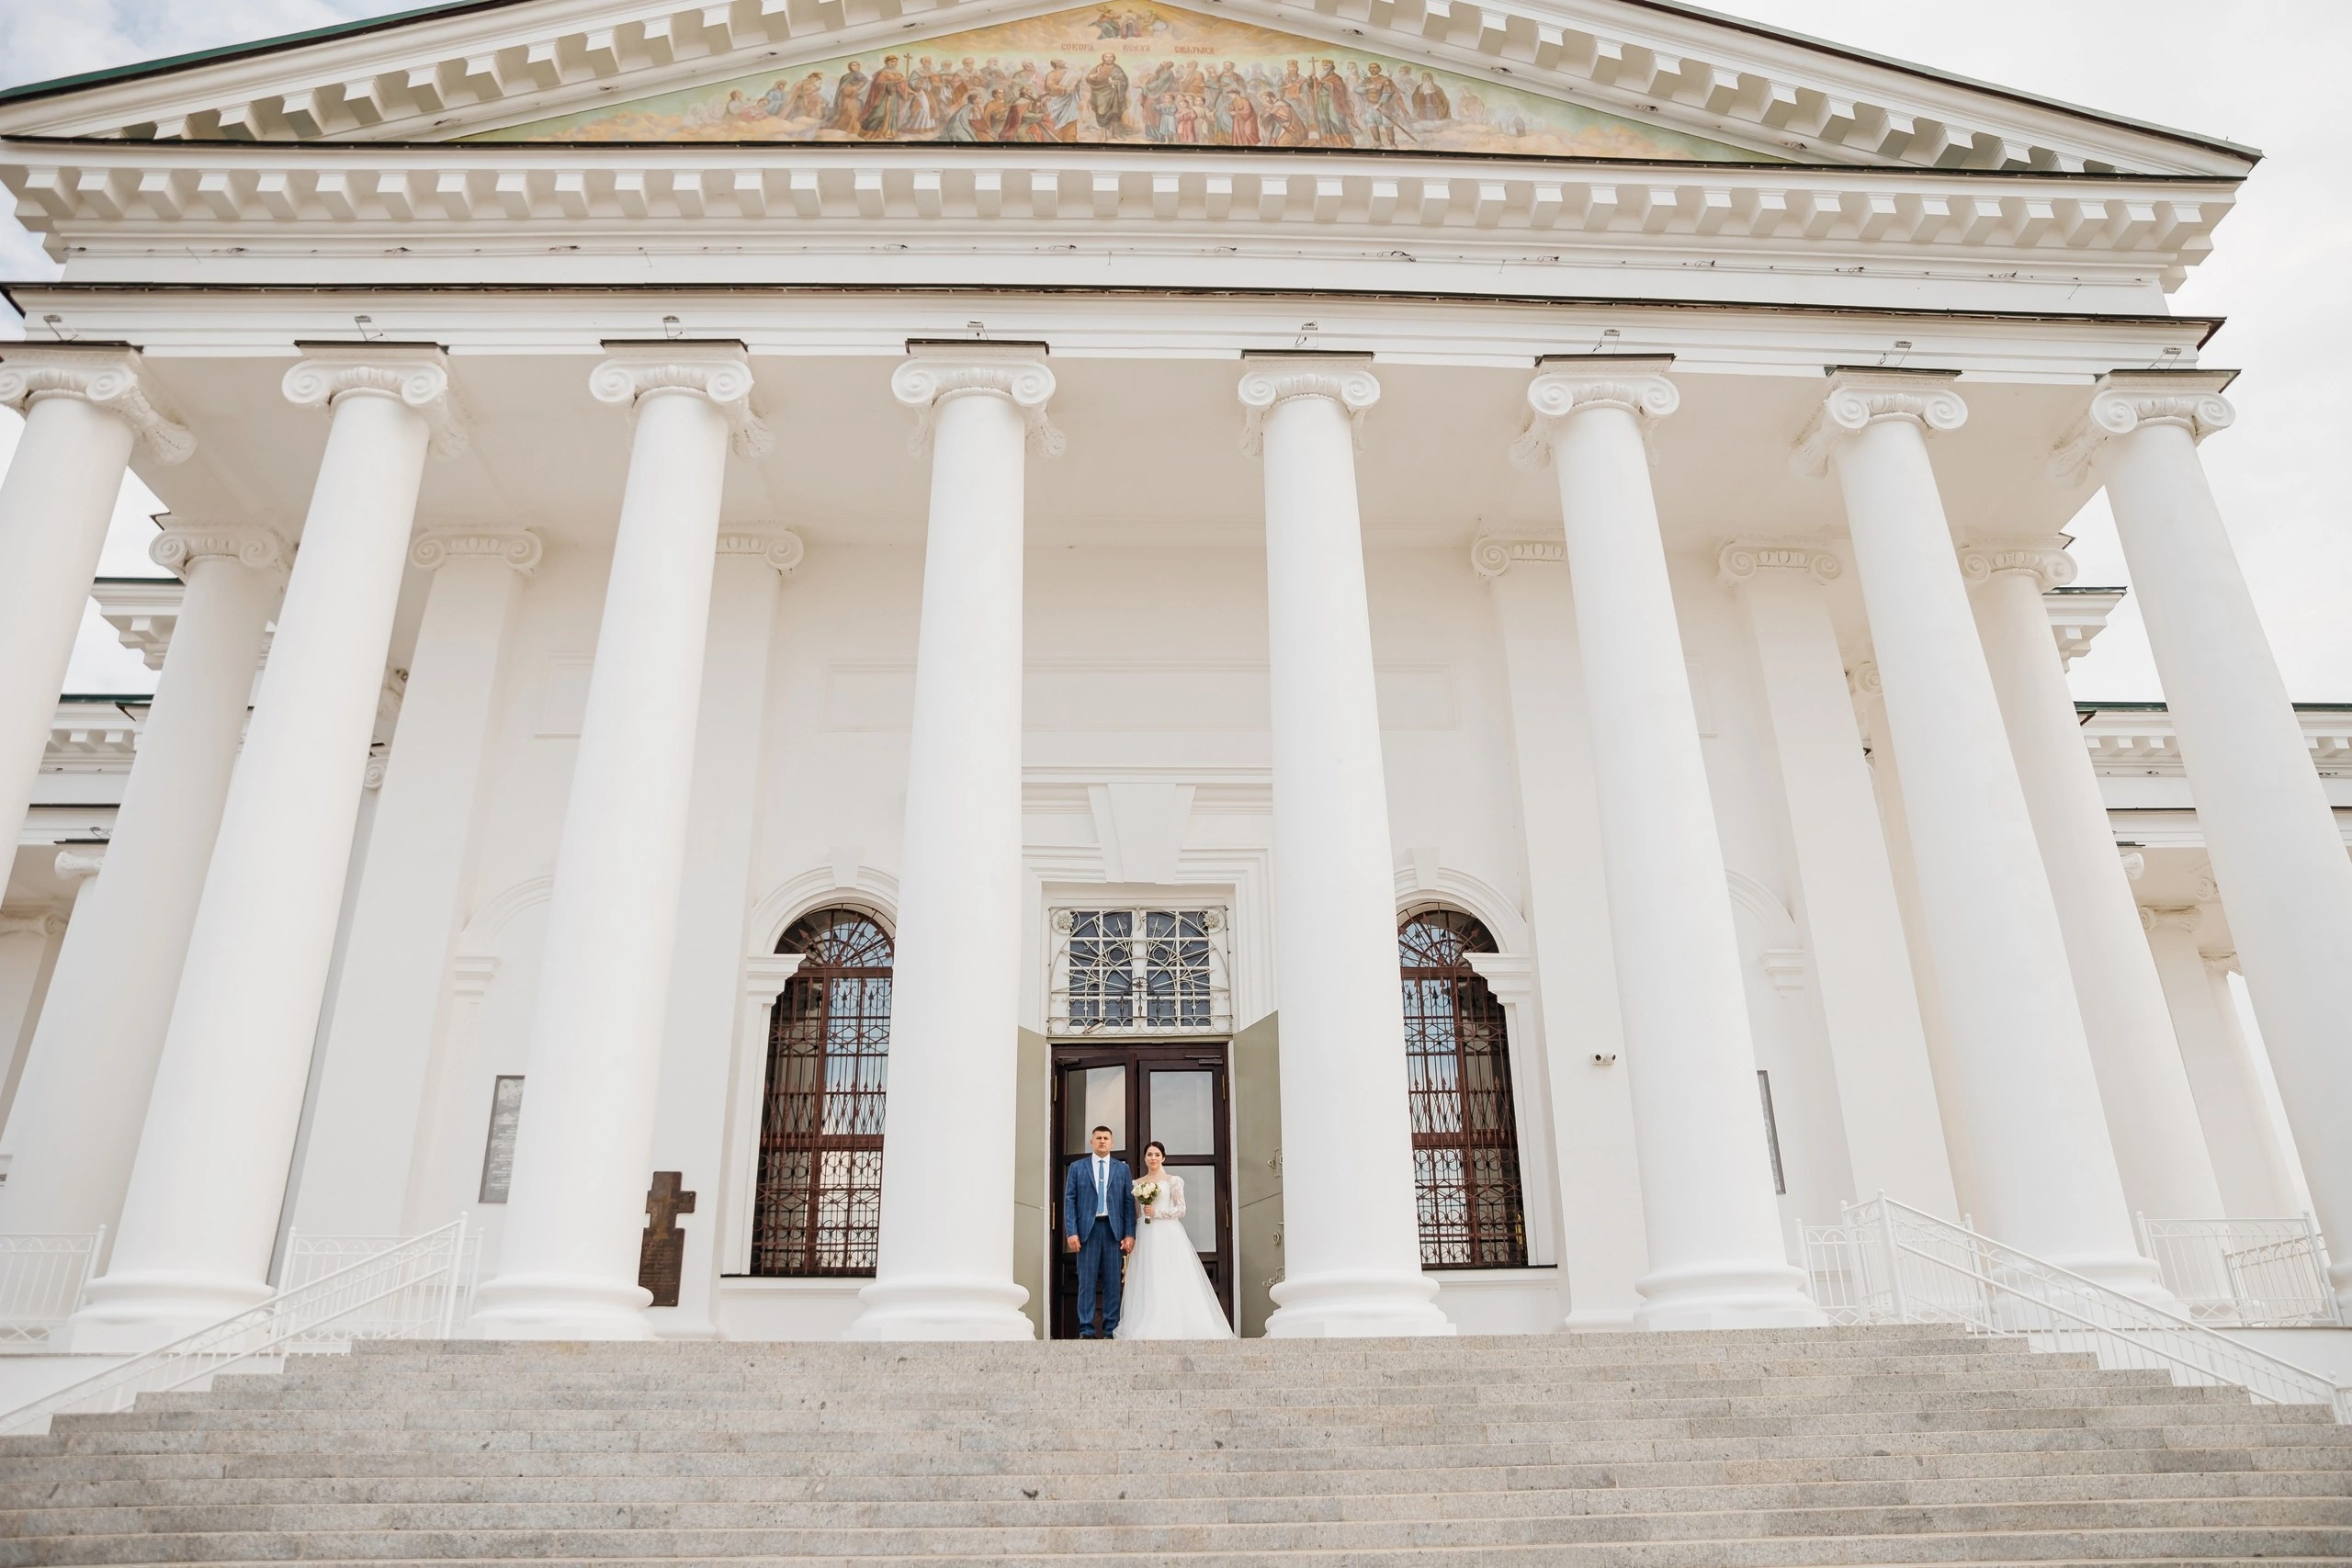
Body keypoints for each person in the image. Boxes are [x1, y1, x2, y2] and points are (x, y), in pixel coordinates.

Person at [1114, 1141, 1235, 1340]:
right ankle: (1150, 1320)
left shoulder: (1173, 1181)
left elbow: (1181, 1209)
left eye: (1157, 1154)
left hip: (1168, 1233)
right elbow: (1135, 1213)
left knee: (1170, 1274)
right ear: (1145, 1158)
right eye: (1150, 1154)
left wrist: (1157, 1212)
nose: (1153, 1158)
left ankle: (1177, 1322)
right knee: (1149, 1275)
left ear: (1163, 1158)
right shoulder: (1136, 1184)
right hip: (1145, 1233)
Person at [1063, 1125, 1136, 1338]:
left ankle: (1110, 1329)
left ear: (1112, 1143)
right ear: (1091, 1142)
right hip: (1088, 1231)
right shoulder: (1077, 1168)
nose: (1102, 1141)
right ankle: (1086, 1328)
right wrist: (1071, 1232)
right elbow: (1070, 1200)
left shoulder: (1122, 1169)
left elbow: (1128, 1203)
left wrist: (1130, 1233)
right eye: (1098, 1138)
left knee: (1113, 1282)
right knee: (1087, 1281)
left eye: (1106, 1138)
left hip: (1114, 1232)